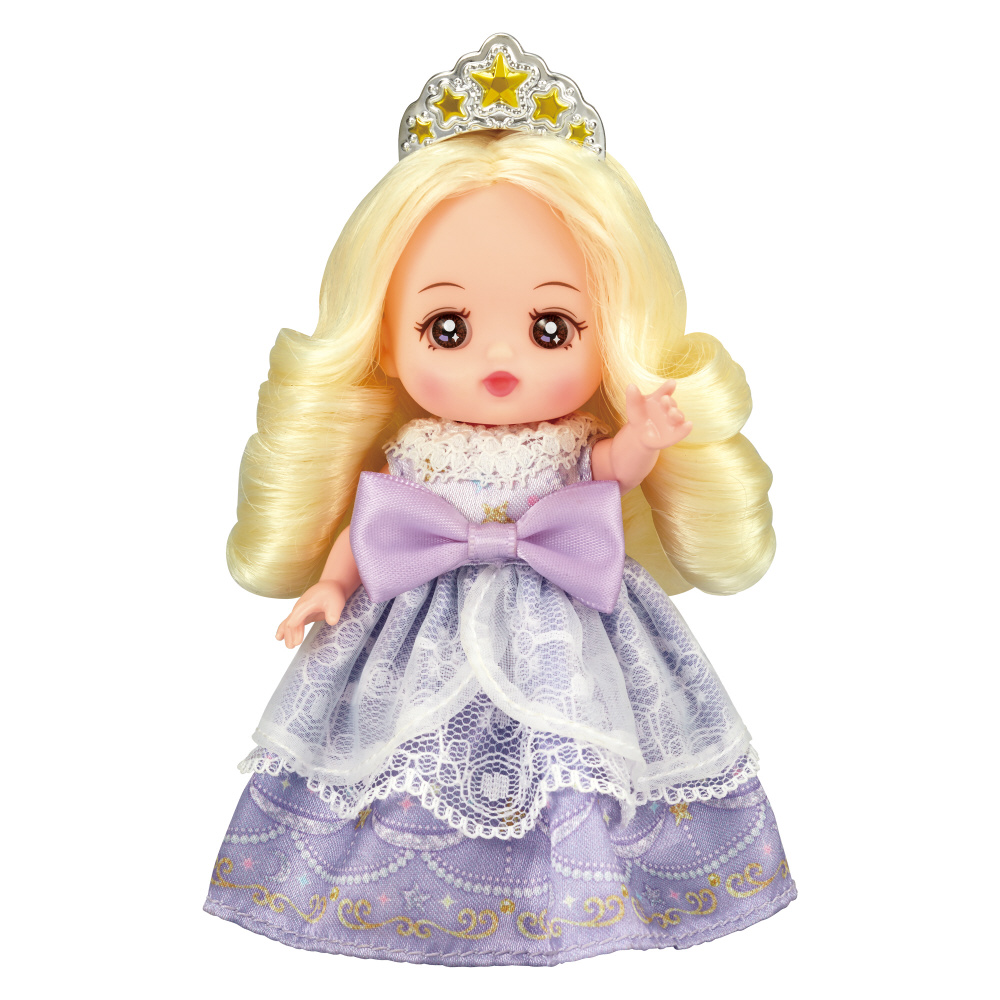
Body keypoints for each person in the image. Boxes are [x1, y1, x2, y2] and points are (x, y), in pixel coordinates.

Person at [205, 35, 795, 966]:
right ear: (385, 339)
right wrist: (331, 583)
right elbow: (379, 520)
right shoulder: (412, 449)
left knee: (579, 744)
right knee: (404, 744)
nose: (500, 358)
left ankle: (587, 891)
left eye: (551, 326)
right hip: (416, 622)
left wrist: (647, 435)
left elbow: (607, 472)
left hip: (571, 618)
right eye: (447, 327)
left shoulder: (570, 442)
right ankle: (402, 889)